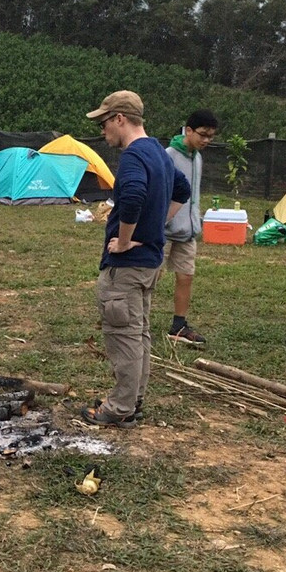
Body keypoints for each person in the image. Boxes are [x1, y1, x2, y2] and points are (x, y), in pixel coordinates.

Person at [80, 91, 191, 428]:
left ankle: (119, 408)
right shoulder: (157, 150)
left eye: (104, 123)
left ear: (120, 119)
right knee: (138, 331)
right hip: (150, 261)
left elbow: (131, 196)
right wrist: (156, 225)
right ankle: (134, 399)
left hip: (129, 266)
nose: (102, 131)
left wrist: (125, 240)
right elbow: (182, 190)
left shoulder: (133, 156)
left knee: (123, 334)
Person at [160, 110, 219, 346]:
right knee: (149, 278)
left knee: (186, 276)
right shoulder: (169, 156)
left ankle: (179, 325)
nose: (206, 140)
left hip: (189, 230)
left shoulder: (197, 157)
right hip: (164, 230)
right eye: (203, 135)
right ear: (188, 130)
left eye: (211, 137)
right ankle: (137, 322)